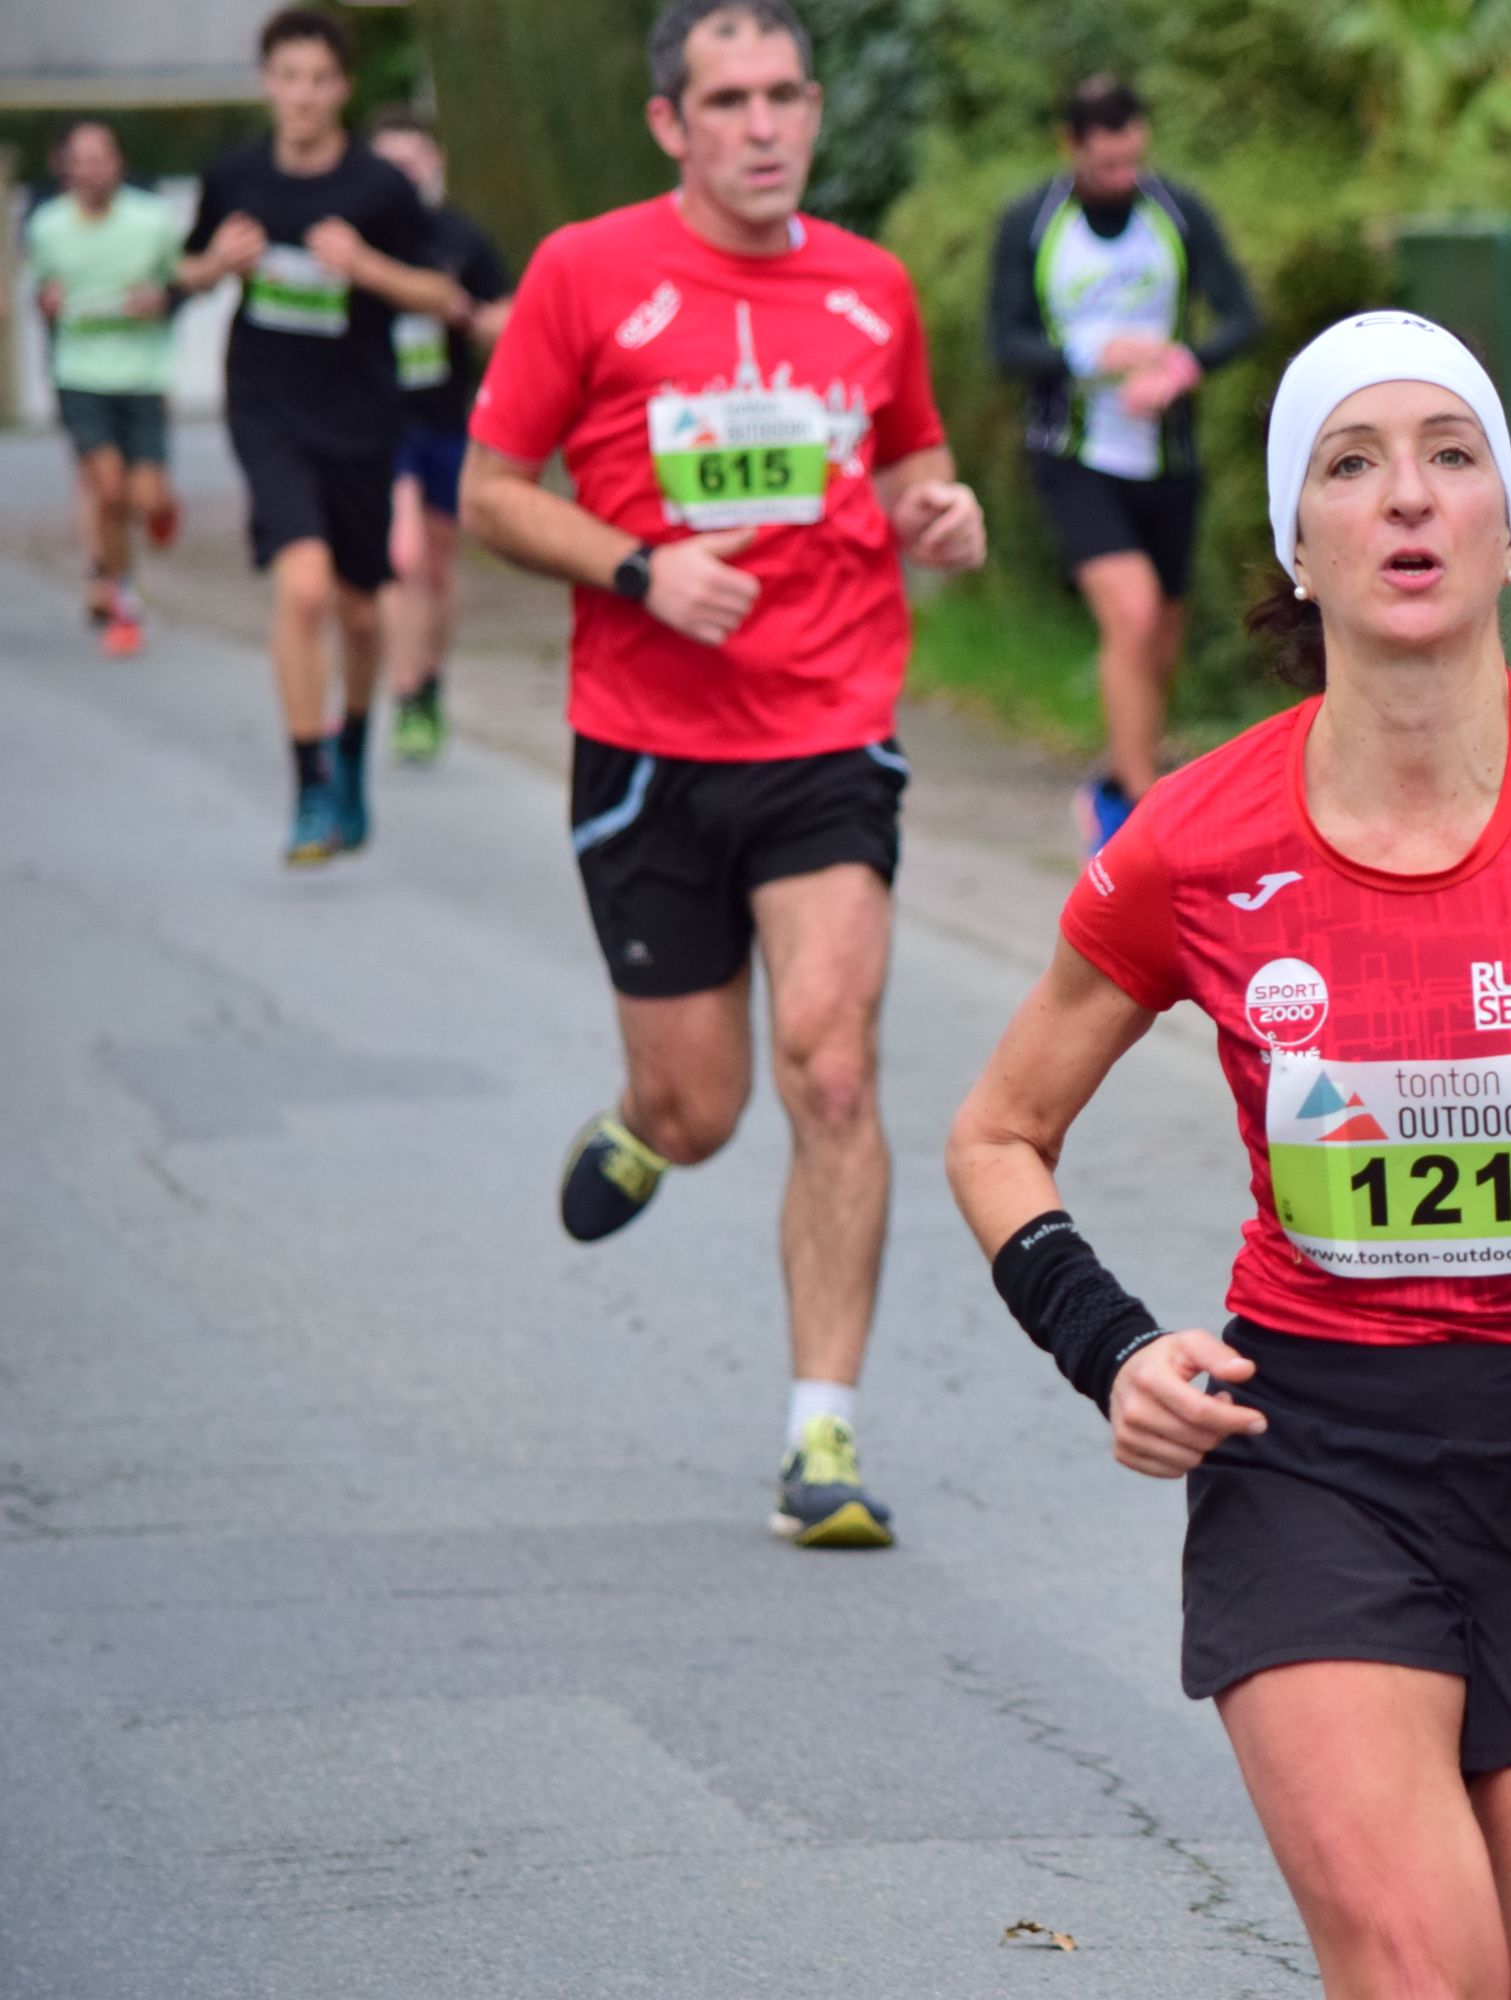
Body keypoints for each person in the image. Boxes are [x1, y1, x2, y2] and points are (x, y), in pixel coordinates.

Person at [945, 311, 1511, 1996]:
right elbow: (998, 1131)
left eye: (1450, 455)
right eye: (1352, 464)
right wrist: (1109, 1348)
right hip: (1317, 1460)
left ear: (1506, 523)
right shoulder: (1194, 839)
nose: (1407, 497)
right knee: (1429, 1970)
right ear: (1300, 540)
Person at [460, 0, 983, 1550]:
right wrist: (640, 568)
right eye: (728, 100)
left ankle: (822, 1436)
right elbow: (492, 492)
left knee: (834, 1065)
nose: (763, 126)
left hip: (827, 731)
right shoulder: (585, 272)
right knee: (705, 1107)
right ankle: (647, 1119)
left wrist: (940, 510)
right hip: (649, 748)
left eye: (784, 96)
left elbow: (907, 461)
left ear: (814, 110)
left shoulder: (872, 287)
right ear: (669, 126)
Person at [177, 7, 465, 865]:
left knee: (360, 613)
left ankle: (351, 753)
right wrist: (216, 265)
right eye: (288, 78)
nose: (302, 96)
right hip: (267, 411)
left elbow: (440, 294)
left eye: (319, 80)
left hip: (361, 416)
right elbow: (185, 271)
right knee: (302, 591)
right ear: (267, 83)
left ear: (343, 88)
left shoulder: (380, 188)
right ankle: (309, 786)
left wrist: (365, 266)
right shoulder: (234, 176)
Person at [987, 74, 1262, 852]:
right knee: (1132, 613)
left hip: (1168, 455)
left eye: (1132, 161)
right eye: (1106, 164)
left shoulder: (1177, 213)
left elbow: (1243, 317)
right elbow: (1005, 344)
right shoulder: (1031, 224)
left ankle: (1115, 781)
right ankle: (1141, 823)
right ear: (1071, 147)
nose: (1121, 176)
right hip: (1074, 453)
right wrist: (1090, 353)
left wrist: (1184, 366)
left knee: (1161, 637)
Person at [365, 107, 514, 765]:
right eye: (389, 163)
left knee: (438, 565)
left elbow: (510, 316)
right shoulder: (351, 238)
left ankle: (428, 682)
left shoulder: (459, 237)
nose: (404, 174)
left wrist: (466, 314)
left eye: (414, 160)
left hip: (446, 419)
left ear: (437, 165)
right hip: (375, 424)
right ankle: (404, 690)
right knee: (404, 558)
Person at [24, 120, 185, 657]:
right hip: (80, 374)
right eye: (82, 161)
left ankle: (161, 507)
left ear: (118, 164)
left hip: (142, 374)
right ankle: (123, 599)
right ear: (65, 168)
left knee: (145, 497)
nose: (92, 170)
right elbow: (42, 294)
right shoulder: (47, 226)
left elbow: (180, 283)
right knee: (108, 490)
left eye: (102, 159)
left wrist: (161, 299)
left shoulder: (151, 220)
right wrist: (47, 304)